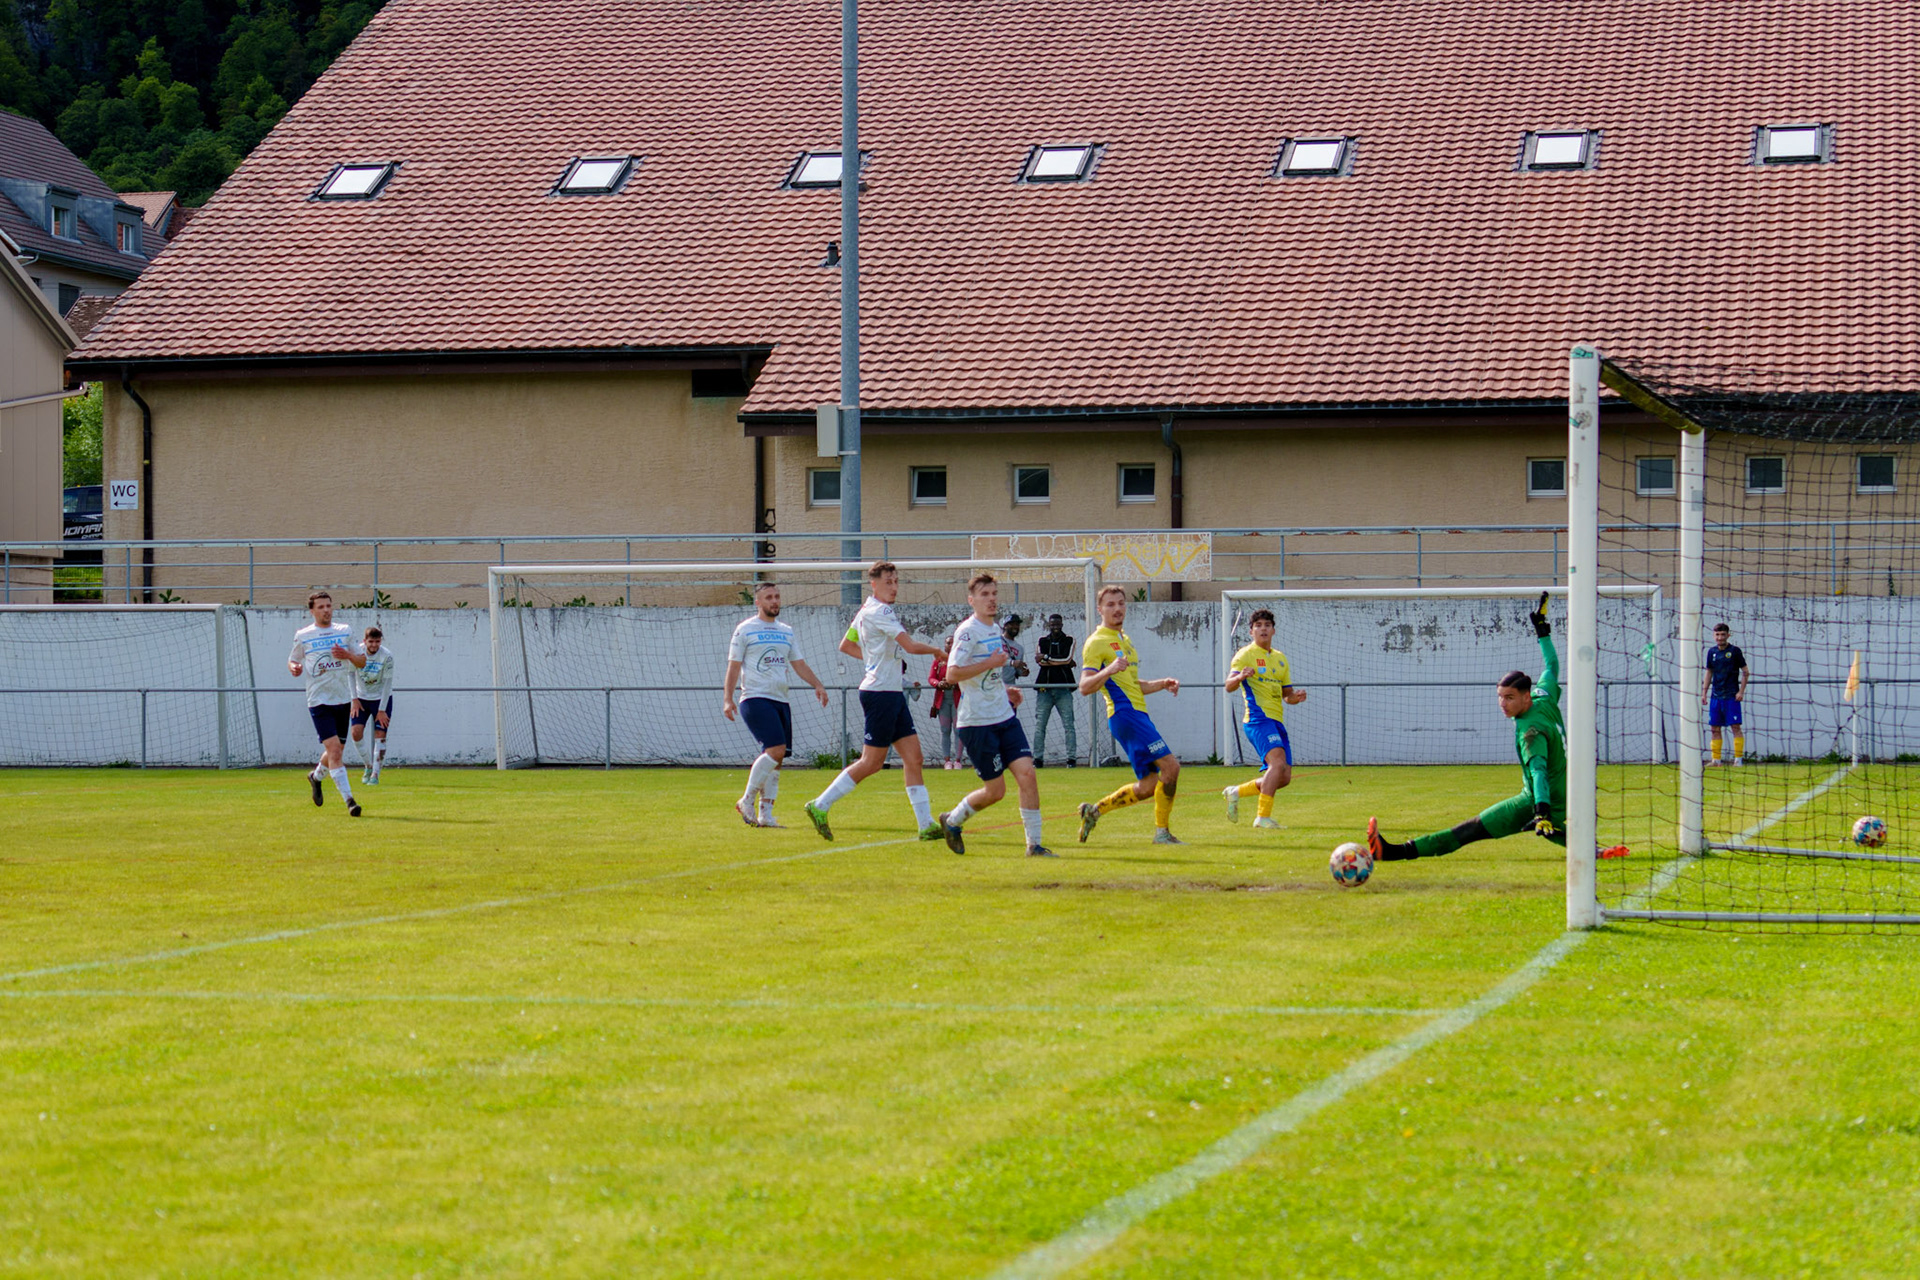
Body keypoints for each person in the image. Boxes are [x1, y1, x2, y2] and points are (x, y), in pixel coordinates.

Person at [1366, 594, 1565, 864]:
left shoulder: (1530, 731)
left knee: (1468, 831)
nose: (1502, 704)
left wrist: (1540, 811)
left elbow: (1538, 771)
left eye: (1509, 698)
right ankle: (1595, 849)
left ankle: (1392, 853)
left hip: (1538, 800)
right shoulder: (1545, 696)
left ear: (1525, 696)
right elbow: (1552, 665)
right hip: (1566, 791)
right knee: (1563, 836)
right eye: (1499, 696)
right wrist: (1542, 629)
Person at [803, 561, 947, 841]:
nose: (894, 587)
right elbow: (910, 646)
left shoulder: (866, 610)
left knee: (913, 758)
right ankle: (819, 805)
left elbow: (846, 645)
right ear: (874, 584)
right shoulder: (880, 612)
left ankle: (926, 824)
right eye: (888, 582)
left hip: (890, 693)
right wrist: (936, 651)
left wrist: (874, 661)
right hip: (880, 694)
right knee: (871, 762)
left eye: (896, 582)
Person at [937, 574, 1051, 856]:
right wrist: (990, 662)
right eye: (985, 594)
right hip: (977, 723)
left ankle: (1034, 846)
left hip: (1004, 717)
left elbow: (989, 674)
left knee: (1027, 774)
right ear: (971, 600)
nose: (991, 599)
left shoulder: (995, 628)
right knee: (995, 791)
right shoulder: (968, 632)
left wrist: (1006, 688)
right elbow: (952, 674)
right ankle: (952, 821)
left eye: (994, 593)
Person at [1075, 585, 1184, 845]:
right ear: (1099, 609)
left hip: (1137, 714)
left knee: (1147, 786)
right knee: (1171, 767)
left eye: (1121, 603)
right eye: (1110, 604)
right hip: (1125, 715)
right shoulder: (1097, 642)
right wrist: (1109, 669)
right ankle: (1162, 833)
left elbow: (1133, 685)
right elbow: (1085, 686)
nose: (1117, 609)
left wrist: (1161, 683)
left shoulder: (1125, 640)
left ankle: (1095, 810)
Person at [723, 581, 829, 827]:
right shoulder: (745, 629)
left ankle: (766, 814)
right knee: (775, 750)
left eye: (777, 596)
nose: (774, 601)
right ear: (758, 602)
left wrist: (818, 684)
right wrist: (728, 698)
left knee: (778, 759)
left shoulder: (786, 631)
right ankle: (746, 800)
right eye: (769, 597)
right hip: (755, 697)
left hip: (781, 699)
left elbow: (798, 663)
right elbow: (734, 665)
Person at [1221, 609, 1308, 829]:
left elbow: (1286, 696)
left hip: (1276, 721)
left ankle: (1236, 791)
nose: (1263, 629)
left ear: (1273, 630)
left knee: (1284, 777)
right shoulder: (1245, 654)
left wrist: (1295, 697)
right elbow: (1229, 686)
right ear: (1251, 631)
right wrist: (1241, 676)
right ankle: (1262, 817)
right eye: (1258, 625)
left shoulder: (1280, 659)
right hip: (1258, 719)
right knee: (1276, 764)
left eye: (1267, 625)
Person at [288, 589, 367, 817]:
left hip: (342, 700)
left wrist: (348, 656)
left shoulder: (344, 631)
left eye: (329, 606)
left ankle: (315, 777)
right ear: (312, 611)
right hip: (319, 701)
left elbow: (361, 661)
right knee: (334, 750)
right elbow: (293, 659)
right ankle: (350, 801)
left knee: (337, 751)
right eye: (321, 607)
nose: (326, 610)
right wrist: (294, 668)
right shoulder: (304, 635)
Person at [349, 625, 395, 785]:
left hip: (381, 698)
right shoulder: (357, 652)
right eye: (371, 642)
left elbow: (388, 683)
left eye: (377, 641)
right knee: (355, 733)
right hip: (361, 698)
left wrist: (382, 710)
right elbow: (350, 674)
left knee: (380, 735)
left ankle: (375, 774)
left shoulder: (387, 656)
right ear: (365, 641)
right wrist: (354, 699)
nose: (374, 645)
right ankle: (368, 765)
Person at [1031, 612, 1078, 766]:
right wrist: (1056, 661)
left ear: (1062, 624)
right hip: (1044, 689)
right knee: (1040, 726)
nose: (1055, 627)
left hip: (1064, 689)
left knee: (1069, 725)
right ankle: (1038, 759)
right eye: (1052, 625)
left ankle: (1071, 759)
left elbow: (1067, 658)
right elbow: (1040, 663)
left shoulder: (1069, 640)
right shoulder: (1042, 641)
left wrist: (1046, 657)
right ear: (1048, 625)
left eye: (1057, 624)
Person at [1702, 622, 1749, 766]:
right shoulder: (1711, 652)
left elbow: (1746, 672)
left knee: (1735, 727)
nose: (1720, 637)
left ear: (1728, 635)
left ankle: (1738, 760)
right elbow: (1709, 672)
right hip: (1716, 697)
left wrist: (1741, 692)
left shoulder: (1735, 651)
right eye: (1717, 634)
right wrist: (1704, 693)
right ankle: (1716, 760)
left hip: (1731, 696)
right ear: (1713, 635)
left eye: (1723, 634)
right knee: (1714, 728)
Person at [929, 632, 968, 770]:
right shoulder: (938, 661)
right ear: (944, 646)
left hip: (958, 700)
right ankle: (947, 760)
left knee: (958, 730)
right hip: (943, 700)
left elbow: (966, 678)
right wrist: (939, 684)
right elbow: (931, 678)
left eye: (953, 642)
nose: (950, 645)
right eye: (948, 643)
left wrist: (953, 682)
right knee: (945, 730)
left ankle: (958, 760)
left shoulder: (961, 661)